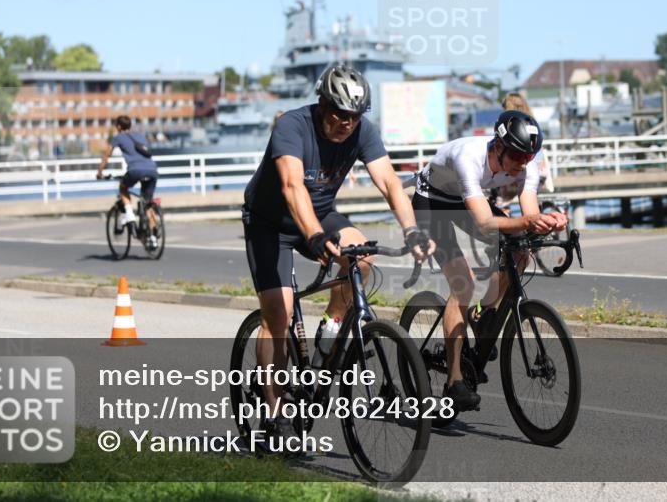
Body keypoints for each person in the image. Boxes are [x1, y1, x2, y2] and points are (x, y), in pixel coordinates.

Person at [242, 64, 435, 446]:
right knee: (277, 314)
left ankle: (331, 328)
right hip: (271, 222)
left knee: (362, 256)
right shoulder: (292, 126)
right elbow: (292, 185)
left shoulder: (362, 131)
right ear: (322, 103)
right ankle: (275, 413)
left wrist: (412, 230)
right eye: (339, 114)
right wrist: (312, 235)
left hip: (321, 212)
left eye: (353, 116)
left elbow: (390, 182)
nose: (346, 123)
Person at [412, 110, 567, 412]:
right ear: (498, 146)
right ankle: (454, 380)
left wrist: (547, 222)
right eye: (517, 158)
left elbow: (529, 210)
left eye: (528, 158)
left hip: (465, 201)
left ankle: (483, 313)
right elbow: (484, 221)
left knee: (520, 251)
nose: (522, 165)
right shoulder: (467, 157)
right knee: (463, 284)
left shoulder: (527, 162)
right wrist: (529, 221)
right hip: (432, 203)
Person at [96, 116, 160, 247]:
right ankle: (153, 237)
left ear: (119, 126)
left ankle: (129, 215)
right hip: (152, 170)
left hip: (135, 170)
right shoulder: (140, 135)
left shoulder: (118, 137)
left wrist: (100, 172)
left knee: (123, 188)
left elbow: (107, 155)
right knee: (147, 203)